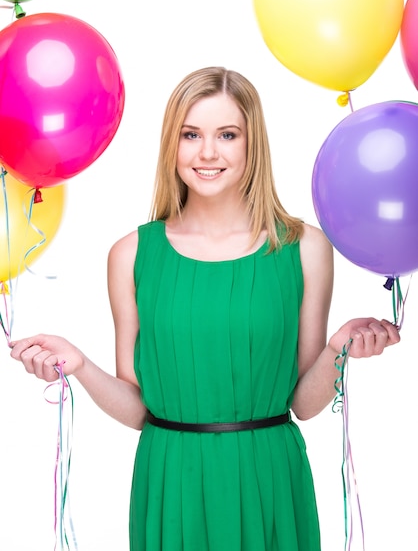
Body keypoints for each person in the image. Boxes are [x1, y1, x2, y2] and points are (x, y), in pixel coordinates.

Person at [10, 66, 400, 551]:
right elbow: (138, 410)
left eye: (227, 135)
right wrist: (80, 366)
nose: (208, 152)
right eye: (191, 134)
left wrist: (340, 347)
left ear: (251, 143)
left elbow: (304, 403)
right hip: (171, 481)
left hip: (268, 479)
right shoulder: (131, 254)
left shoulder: (304, 249)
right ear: (172, 144)